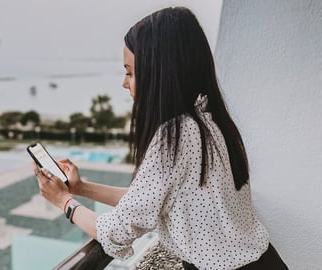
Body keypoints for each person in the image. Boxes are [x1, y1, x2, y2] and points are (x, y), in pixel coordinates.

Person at [33, 6, 288, 270]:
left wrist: (64, 201)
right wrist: (81, 188)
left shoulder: (176, 136)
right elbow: (149, 197)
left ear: (159, 72)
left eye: (130, 72)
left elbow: (117, 231)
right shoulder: (209, 119)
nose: (124, 83)